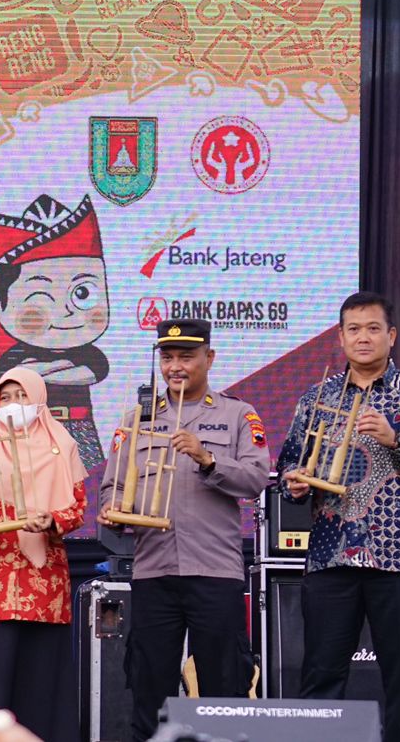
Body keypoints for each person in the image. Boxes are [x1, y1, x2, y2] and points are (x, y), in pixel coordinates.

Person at [276, 291, 400, 742]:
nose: (363, 337)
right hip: (330, 556)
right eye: (353, 329)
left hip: (399, 558)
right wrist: (294, 483)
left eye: (373, 328)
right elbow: (288, 463)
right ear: (340, 338)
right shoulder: (317, 397)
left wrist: (397, 439)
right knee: (320, 679)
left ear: (391, 336)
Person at [99, 318, 269, 742]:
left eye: (186, 357)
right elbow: (112, 486)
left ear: (209, 358)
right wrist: (112, 510)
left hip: (215, 572)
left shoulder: (238, 414)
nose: (175, 366)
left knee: (223, 691)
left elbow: (256, 479)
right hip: (154, 571)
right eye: (168, 357)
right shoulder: (137, 418)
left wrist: (208, 458)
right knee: (148, 689)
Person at [0, 367, 85, 739]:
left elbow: (78, 508)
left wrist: (52, 519)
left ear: (38, 399)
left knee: (40, 682)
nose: (12, 404)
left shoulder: (61, 445)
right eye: (5, 397)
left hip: (43, 584)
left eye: (21, 396)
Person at [0, 194, 112, 470]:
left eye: (82, 293)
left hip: (80, 428)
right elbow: (15, 380)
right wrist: (61, 368)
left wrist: (37, 373)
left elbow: (88, 373)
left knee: (88, 486)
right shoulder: (13, 355)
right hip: (29, 429)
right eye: (41, 297)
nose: (65, 312)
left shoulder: (89, 354)